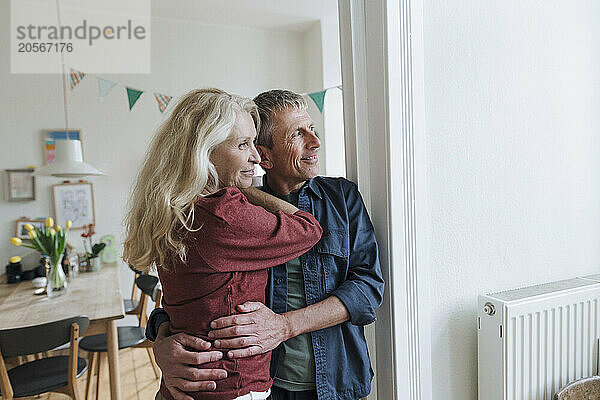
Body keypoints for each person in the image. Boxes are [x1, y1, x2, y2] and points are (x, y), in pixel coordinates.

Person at [147, 89, 385, 400]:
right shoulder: (229, 210)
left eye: (312, 129)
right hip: (259, 387)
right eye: (297, 134)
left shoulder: (342, 198)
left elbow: (368, 289)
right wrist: (162, 336)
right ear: (266, 155)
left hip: (336, 383)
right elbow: (193, 291)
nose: (315, 143)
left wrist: (283, 326)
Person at [122, 88, 323, 400]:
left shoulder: (177, 208)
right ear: (204, 152)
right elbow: (308, 229)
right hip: (230, 383)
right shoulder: (221, 212)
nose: (256, 157)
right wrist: (247, 190)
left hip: (196, 383)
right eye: (243, 144)